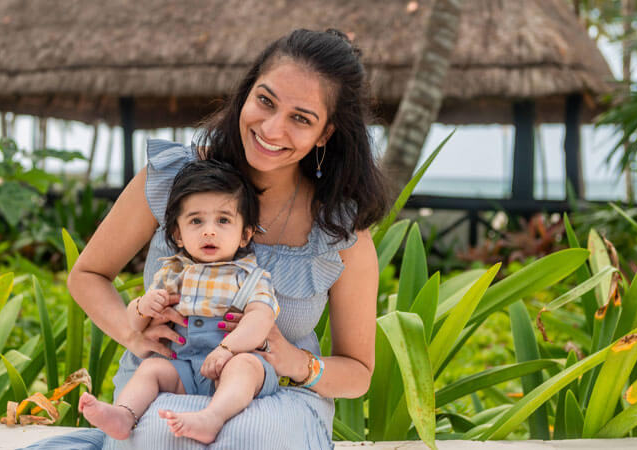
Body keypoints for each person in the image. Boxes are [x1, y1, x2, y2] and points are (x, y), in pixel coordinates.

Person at [23, 28, 387, 449]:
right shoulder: (173, 178)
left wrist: (298, 363)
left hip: (277, 396)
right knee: (163, 432)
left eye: (300, 118)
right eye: (265, 101)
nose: (271, 128)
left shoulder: (339, 232)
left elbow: (358, 373)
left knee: (252, 436)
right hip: (165, 378)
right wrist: (131, 331)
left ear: (326, 133)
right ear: (246, 93)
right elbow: (87, 274)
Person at [78, 159, 282, 444]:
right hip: (184, 365)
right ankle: (124, 414)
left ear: (245, 234)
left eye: (223, 220)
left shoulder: (250, 277)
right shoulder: (172, 272)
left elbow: (260, 319)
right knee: (151, 370)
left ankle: (213, 417)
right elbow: (134, 324)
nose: (209, 231)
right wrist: (143, 306)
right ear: (178, 235)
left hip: (232, 360)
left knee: (246, 367)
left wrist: (227, 348)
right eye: (196, 221)